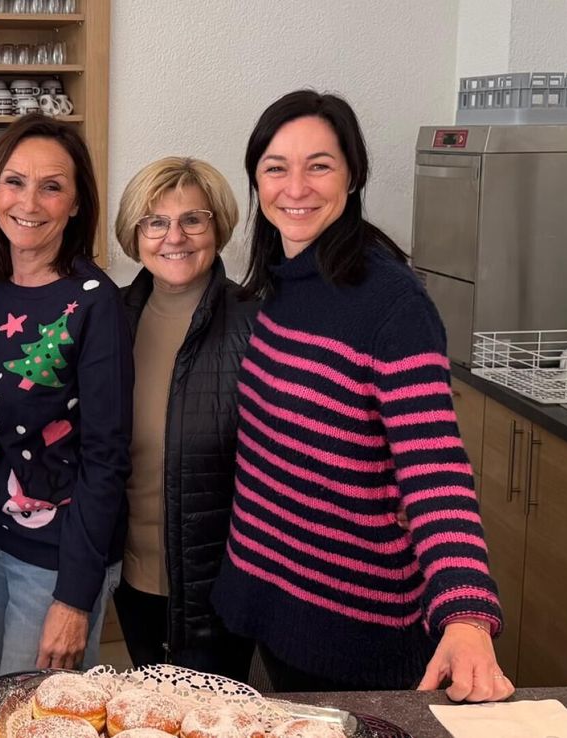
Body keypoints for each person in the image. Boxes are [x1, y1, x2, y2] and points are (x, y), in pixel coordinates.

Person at [210, 90, 512, 702]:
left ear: (352, 176)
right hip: (276, 598)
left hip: (354, 625)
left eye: (319, 165)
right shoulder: (285, 280)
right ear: (257, 181)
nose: (296, 187)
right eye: (276, 167)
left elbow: (435, 467)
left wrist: (466, 614)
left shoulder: (391, 303)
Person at [0, 114, 132, 691]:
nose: (29, 202)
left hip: (55, 558)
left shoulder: (94, 304)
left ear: (76, 204)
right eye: (14, 181)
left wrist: (75, 599)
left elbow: (107, 457)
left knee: (32, 718)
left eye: (51, 186)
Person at [111, 157, 259, 681]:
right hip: (131, 578)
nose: (174, 237)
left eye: (193, 219)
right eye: (155, 221)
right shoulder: (109, 318)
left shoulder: (256, 320)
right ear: (135, 235)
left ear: (218, 227)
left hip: (220, 590)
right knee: (150, 709)